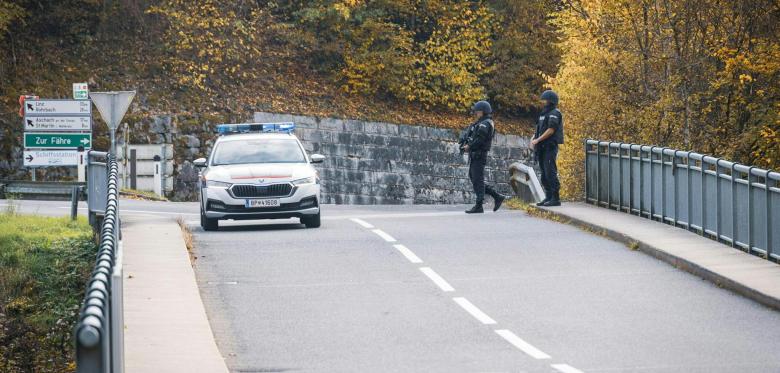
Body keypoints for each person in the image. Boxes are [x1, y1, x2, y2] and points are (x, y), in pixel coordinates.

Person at [461, 100, 506, 214]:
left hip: (479, 155)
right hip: (476, 155)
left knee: (477, 179)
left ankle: (479, 205)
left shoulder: (485, 123)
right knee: (475, 178)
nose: (476, 113)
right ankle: (497, 196)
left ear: (483, 111)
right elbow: (473, 136)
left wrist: (469, 147)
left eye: (478, 111)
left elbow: (480, 140)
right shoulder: (481, 123)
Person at [531, 90, 564, 207]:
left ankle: (555, 198)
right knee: (544, 174)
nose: (543, 102)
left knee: (550, 172)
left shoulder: (555, 113)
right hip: (542, 148)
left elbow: (551, 130)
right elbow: (539, 129)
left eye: (545, 100)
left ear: (551, 101)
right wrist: (533, 139)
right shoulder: (543, 114)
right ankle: (548, 196)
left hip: (550, 146)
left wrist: (538, 140)